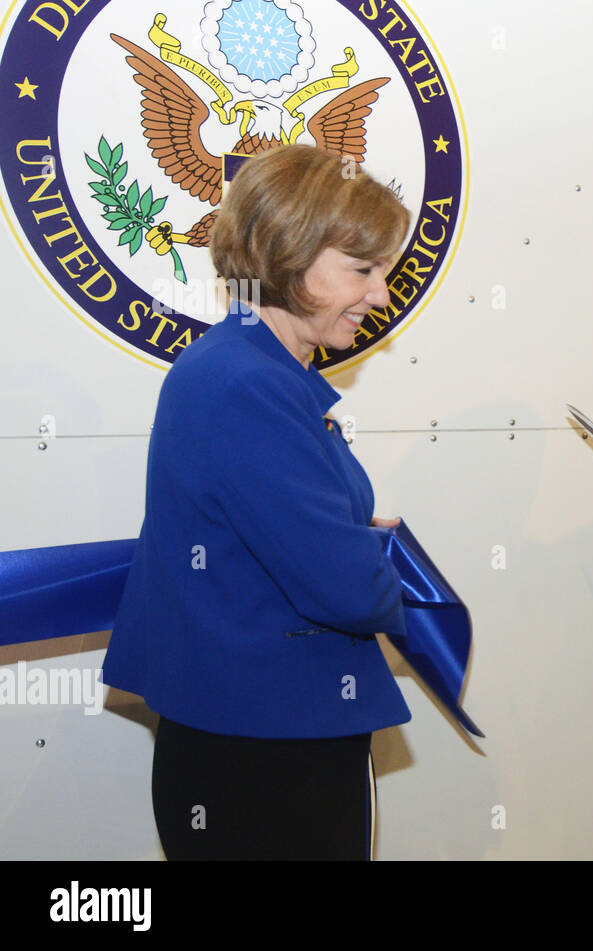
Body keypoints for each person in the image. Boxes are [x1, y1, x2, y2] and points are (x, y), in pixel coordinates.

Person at [102, 144, 413, 860]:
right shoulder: (250, 383)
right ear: (286, 252)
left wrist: (346, 534)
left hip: (258, 739)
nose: (380, 295)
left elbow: (269, 530)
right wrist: (372, 559)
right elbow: (348, 588)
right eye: (362, 270)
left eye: (384, 272)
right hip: (269, 757)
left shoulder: (248, 365)